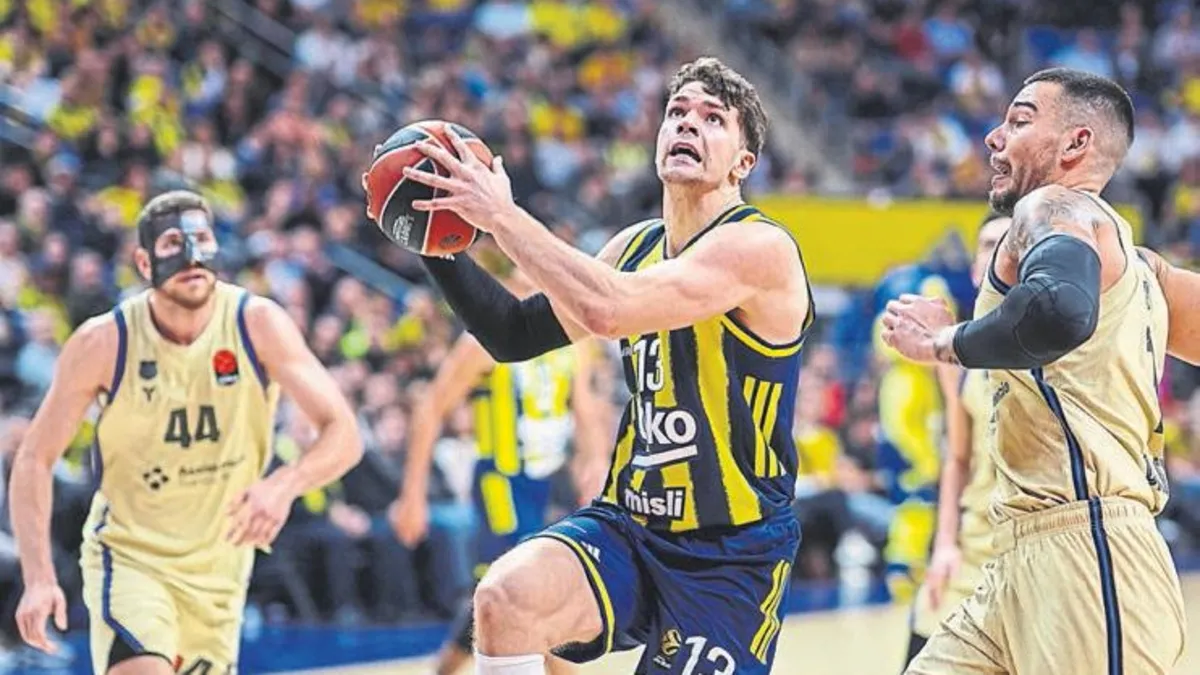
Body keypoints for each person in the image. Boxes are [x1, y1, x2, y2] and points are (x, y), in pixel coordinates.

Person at [394, 56, 813, 674]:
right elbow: (513, 333)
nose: (687, 124)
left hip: (730, 553)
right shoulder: (632, 247)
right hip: (631, 526)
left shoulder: (760, 248)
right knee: (504, 598)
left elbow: (609, 309)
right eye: (677, 112)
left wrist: (500, 215)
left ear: (742, 163)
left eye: (712, 119)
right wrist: (432, 238)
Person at [882, 68, 1187, 674]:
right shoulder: (1140, 265)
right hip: (1017, 556)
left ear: (1076, 144)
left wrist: (942, 340)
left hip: (1087, 551)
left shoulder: (1050, 205)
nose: (994, 137)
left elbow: (1056, 310)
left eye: (1019, 121)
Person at [9, 190, 363, 675]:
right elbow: (33, 458)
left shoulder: (257, 323)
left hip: (220, 571)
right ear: (144, 261)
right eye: (174, 242)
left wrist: (284, 485)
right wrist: (38, 576)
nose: (192, 254)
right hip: (131, 559)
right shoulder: (104, 341)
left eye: (201, 238)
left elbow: (344, 433)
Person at [389, 243, 610, 675]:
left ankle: (442, 669)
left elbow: (584, 406)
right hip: (501, 484)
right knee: (530, 595)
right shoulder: (484, 340)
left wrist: (596, 460)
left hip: (549, 479)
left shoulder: (572, 333)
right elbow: (430, 407)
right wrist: (412, 494)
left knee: (500, 592)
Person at [901, 212, 1010, 669]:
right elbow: (958, 459)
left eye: (1009, 242)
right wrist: (944, 544)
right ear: (973, 267)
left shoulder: (1056, 349)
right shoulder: (955, 355)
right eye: (986, 244)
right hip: (970, 551)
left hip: (1030, 554)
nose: (996, 253)